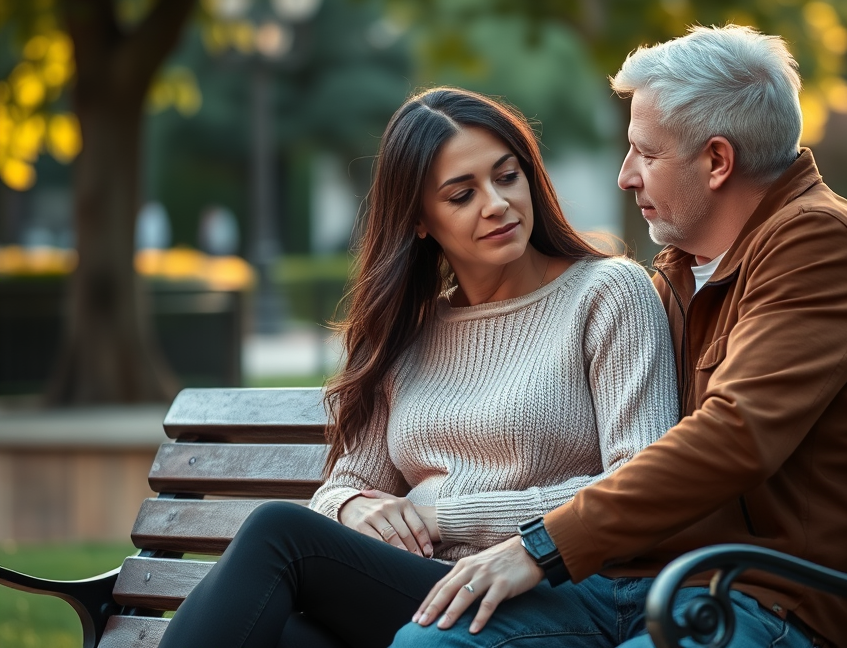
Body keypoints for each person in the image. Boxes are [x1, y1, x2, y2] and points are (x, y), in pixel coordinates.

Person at [403, 26, 847, 648]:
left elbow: (736, 434)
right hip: (634, 585)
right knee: (435, 641)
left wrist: (539, 547)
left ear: (717, 161)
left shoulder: (816, 241)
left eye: (645, 153)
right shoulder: (677, 268)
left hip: (758, 600)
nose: (626, 176)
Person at [156, 87, 678, 648]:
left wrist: (442, 518)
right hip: (429, 588)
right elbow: (345, 486)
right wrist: (353, 509)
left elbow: (636, 487)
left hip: (548, 589)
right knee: (285, 634)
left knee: (278, 534)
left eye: (506, 177)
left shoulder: (606, 293)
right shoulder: (411, 333)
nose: (496, 203)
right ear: (421, 220)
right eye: (462, 195)